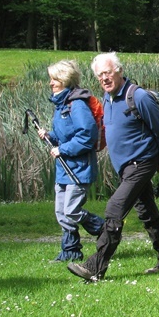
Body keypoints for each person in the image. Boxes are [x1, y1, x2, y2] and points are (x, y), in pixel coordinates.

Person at [67, 52, 159, 282]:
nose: (104, 79)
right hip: (126, 168)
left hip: (142, 162)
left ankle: (95, 266)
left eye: (107, 73)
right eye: (99, 76)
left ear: (118, 70)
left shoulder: (138, 97)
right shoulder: (107, 98)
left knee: (115, 208)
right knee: (148, 213)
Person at [38, 60, 104, 262]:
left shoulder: (77, 105)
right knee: (61, 213)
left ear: (65, 80)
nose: (51, 83)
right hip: (64, 169)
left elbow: (87, 136)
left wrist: (62, 149)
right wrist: (50, 136)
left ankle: (105, 229)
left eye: (54, 79)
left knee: (71, 211)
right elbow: (65, 135)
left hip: (79, 168)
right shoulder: (61, 105)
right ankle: (70, 252)